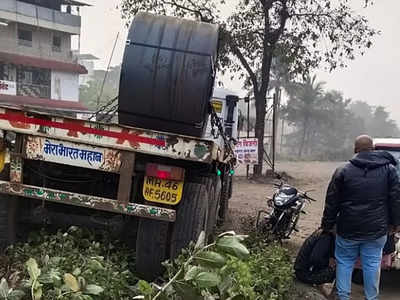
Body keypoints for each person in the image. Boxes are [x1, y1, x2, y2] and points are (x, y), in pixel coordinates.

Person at [321, 135, 400, 300]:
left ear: (355, 150)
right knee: (372, 264)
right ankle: (371, 297)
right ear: (373, 149)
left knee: (344, 262)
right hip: (377, 229)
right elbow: (395, 200)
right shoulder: (389, 170)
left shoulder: (342, 170)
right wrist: (395, 224)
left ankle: (343, 296)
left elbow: (332, 201)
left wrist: (327, 225)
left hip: (347, 228)